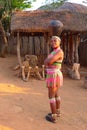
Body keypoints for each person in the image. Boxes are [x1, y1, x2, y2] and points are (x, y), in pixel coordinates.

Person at [44, 36, 64, 123]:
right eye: (51, 41)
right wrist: (47, 62)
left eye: (55, 41)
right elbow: (47, 62)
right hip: (53, 74)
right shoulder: (54, 51)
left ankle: (53, 117)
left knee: (51, 95)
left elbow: (48, 62)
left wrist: (47, 62)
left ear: (60, 42)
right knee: (56, 94)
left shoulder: (59, 51)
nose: (53, 42)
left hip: (53, 75)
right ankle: (57, 112)